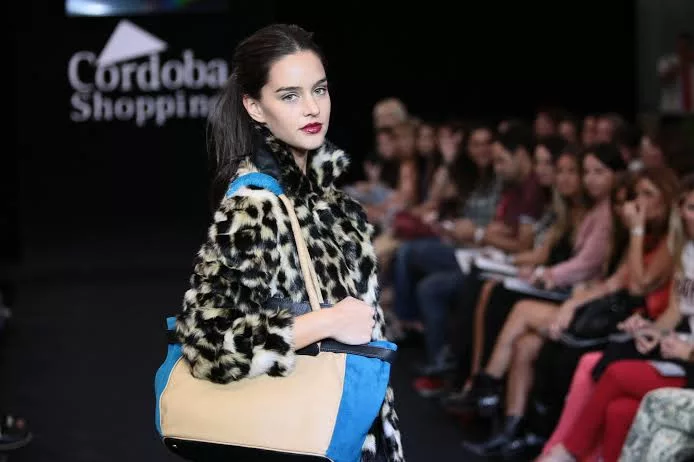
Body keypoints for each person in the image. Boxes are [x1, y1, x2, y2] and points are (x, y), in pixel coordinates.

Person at [174, 24, 404, 461]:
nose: (312, 107)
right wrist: (328, 322)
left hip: (344, 432)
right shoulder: (255, 204)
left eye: (319, 89)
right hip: (299, 436)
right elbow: (208, 343)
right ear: (255, 107)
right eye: (290, 96)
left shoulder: (330, 201)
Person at [539, 173, 694, 462]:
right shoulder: (686, 252)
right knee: (618, 411)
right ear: (680, 212)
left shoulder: (671, 248)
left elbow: (638, 286)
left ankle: (566, 452)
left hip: (688, 360)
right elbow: (677, 311)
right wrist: (654, 331)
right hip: (680, 349)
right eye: (691, 208)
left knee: (614, 371)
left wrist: (687, 351)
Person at [658, 32, 694, 115]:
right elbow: (664, 81)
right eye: (681, 46)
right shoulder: (667, 61)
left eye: (687, 46)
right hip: (672, 112)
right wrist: (682, 63)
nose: (683, 49)